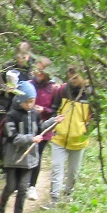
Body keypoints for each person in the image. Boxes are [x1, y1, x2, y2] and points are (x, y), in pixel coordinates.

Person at [0, 81, 62, 213]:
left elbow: (40, 129)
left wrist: (53, 121)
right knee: (11, 186)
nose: (30, 104)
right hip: (13, 158)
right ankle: (3, 202)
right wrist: (30, 139)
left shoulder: (35, 114)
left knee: (23, 188)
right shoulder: (11, 116)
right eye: (27, 101)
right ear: (20, 100)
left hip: (29, 159)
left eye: (32, 101)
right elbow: (13, 137)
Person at [47, 70, 93, 206]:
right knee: (57, 167)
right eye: (70, 76)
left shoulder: (90, 94)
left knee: (73, 171)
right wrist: (55, 124)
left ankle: (68, 195)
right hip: (59, 138)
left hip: (78, 140)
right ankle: (54, 199)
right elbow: (54, 109)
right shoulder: (62, 90)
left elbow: (95, 117)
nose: (72, 79)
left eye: (76, 76)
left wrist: (86, 129)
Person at [27, 57, 61, 201]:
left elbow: (55, 110)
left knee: (37, 156)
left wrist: (44, 110)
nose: (38, 73)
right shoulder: (28, 84)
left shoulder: (54, 89)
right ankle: (20, 183)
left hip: (44, 128)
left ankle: (32, 186)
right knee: (24, 153)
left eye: (42, 70)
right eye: (37, 69)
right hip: (27, 125)